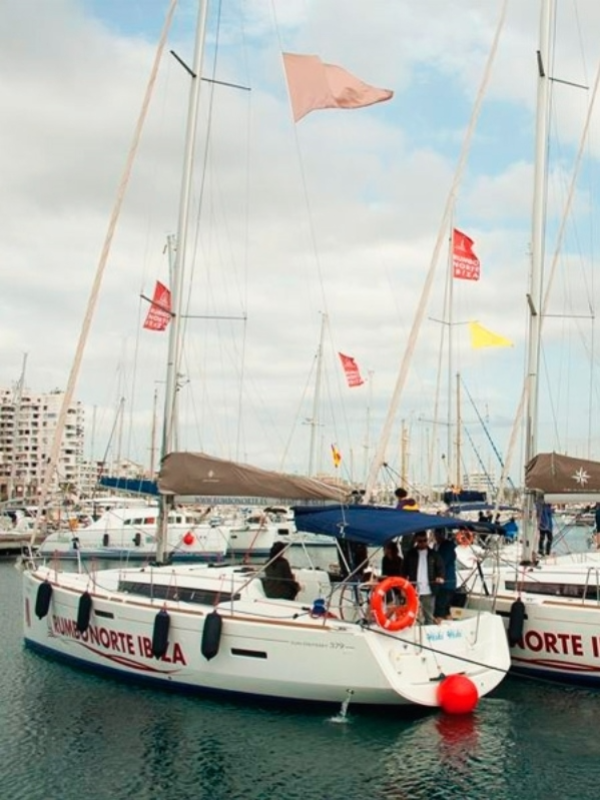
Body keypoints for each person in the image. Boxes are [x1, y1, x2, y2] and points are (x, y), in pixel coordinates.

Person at [401, 531, 444, 623]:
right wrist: (403, 588)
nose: (423, 543)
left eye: (425, 540)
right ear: (416, 541)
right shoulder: (410, 554)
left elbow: (441, 568)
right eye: (420, 541)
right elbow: (404, 571)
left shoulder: (434, 554)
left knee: (429, 616)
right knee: (411, 615)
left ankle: (429, 630)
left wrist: (440, 577)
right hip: (413, 590)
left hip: (429, 590)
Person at [433, 530, 457, 620]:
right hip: (450, 583)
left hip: (445, 583)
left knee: (439, 609)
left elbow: (441, 563)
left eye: (436, 535)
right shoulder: (444, 547)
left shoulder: (446, 547)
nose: (436, 537)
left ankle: (438, 624)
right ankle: (450, 623)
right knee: (446, 609)